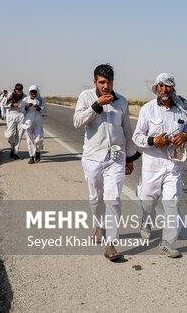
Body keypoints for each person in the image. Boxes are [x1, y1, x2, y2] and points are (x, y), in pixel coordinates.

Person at [73, 64, 140, 261]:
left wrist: (130, 158)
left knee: (113, 198)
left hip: (116, 158)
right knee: (96, 197)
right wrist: (97, 105)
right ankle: (99, 226)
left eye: (109, 82)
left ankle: (111, 243)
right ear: (95, 82)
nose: (106, 86)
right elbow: (77, 122)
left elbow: (127, 130)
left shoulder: (121, 102)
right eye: (102, 82)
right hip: (92, 157)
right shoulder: (86, 97)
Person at [132, 73, 187, 258]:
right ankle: (146, 220)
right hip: (153, 165)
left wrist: (185, 136)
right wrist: (154, 140)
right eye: (161, 86)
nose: (164, 89)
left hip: (173, 166)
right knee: (148, 201)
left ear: (173, 88)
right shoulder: (147, 109)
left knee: (171, 203)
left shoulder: (182, 110)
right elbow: (137, 137)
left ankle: (167, 242)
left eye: (168, 86)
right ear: (156, 88)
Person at [23, 85, 48, 164]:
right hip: (28, 121)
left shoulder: (41, 100)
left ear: (37, 92)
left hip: (38, 121)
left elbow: (45, 109)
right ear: (30, 92)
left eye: (35, 92)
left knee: (39, 139)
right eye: (32, 92)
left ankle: (37, 151)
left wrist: (39, 108)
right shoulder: (26, 99)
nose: (33, 94)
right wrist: (27, 107)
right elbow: (21, 109)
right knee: (29, 140)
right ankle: (31, 157)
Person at [4, 84, 27, 159]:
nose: (19, 92)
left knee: (19, 135)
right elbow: (4, 105)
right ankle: (12, 146)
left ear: (22, 89)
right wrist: (13, 105)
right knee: (9, 135)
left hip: (21, 115)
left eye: (20, 90)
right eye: (17, 90)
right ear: (15, 89)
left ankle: (15, 152)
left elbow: (26, 107)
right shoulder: (10, 95)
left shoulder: (25, 97)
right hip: (12, 115)